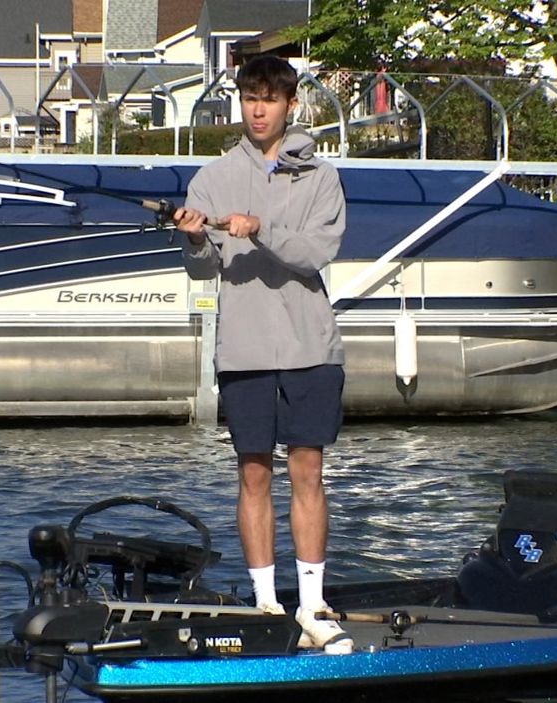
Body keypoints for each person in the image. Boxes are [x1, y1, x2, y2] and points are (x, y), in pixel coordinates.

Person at [173, 55, 352, 655]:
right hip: (244, 349)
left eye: (269, 99)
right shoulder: (213, 177)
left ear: (290, 106)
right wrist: (195, 238)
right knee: (253, 472)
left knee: (307, 470)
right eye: (250, 98)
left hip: (310, 346)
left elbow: (313, 254)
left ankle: (313, 604)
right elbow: (202, 268)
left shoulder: (321, 177)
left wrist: (260, 228)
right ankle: (266, 603)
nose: (258, 110)